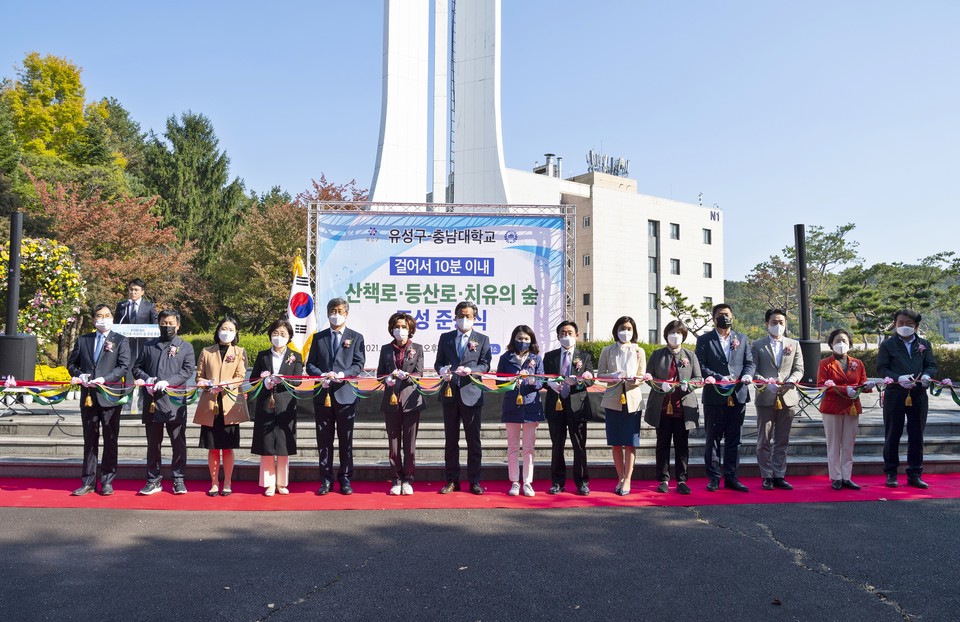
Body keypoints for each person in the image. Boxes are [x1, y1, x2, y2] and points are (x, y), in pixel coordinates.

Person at [66, 304, 131, 496]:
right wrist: (80, 375)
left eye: (107, 315)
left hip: (109, 396)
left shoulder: (120, 340)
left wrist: (106, 378)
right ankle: (88, 481)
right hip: (88, 397)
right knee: (90, 439)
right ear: (94, 319)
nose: (104, 319)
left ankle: (108, 480)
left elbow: (124, 366)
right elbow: (71, 363)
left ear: (112, 318)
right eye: (99, 316)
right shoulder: (83, 339)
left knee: (111, 440)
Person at [306, 297, 366, 495]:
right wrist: (320, 374)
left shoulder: (355, 337)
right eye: (332, 310)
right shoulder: (318, 337)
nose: (336, 314)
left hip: (345, 394)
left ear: (346, 314)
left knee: (345, 440)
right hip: (322, 394)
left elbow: (358, 364)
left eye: (340, 311)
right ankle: (325, 480)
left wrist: (343, 375)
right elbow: (310, 365)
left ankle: (346, 479)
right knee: (324, 440)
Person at [133, 309, 197, 495]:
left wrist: (168, 382)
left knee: (178, 443)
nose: (167, 326)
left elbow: (187, 371)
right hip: (152, 401)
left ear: (178, 325)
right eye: (163, 323)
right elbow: (137, 368)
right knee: (153, 444)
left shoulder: (185, 347)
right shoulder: (149, 345)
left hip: (174, 402)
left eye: (170, 323)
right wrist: (148, 380)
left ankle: (178, 479)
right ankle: (153, 480)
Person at [695, 303, 755, 492]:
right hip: (715, 395)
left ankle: (732, 477)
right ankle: (713, 478)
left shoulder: (742, 338)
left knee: (734, 439)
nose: (725, 318)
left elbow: (749, 362)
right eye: (720, 315)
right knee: (713, 438)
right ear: (713, 319)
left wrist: (747, 375)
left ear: (733, 317)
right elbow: (700, 364)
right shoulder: (705, 340)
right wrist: (719, 377)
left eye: (727, 314)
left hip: (738, 394)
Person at [434, 301, 492, 495]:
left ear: (475, 318)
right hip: (450, 393)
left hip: (472, 394)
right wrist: (442, 370)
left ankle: (475, 481)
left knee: (473, 440)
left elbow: (485, 365)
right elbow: (439, 362)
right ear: (455, 317)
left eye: (468, 316)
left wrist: (472, 371)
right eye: (460, 315)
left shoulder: (482, 339)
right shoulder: (446, 338)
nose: (464, 319)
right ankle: (452, 480)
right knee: (451, 440)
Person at [877, 309, 938, 489]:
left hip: (918, 394)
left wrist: (927, 376)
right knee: (892, 433)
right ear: (895, 324)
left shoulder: (924, 344)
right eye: (901, 323)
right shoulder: (888, 345)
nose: (904, 326)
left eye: (909, 324)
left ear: (916, 326)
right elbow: (882, 368)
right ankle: (891, 472)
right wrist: (898, 378)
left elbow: (931, 365)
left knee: (917, 435)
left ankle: (915, 473)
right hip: (895, 393)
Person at [643, 320, 702, 495]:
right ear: (666, 335)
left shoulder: (690, 355)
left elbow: (698, 377)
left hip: (682, 408)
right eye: (671, 332)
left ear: (684, 335)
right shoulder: (657, 354)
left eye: (679, 333)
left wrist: (688, 385)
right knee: (662, 444)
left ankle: (682, 480)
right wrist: (660, 386)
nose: (675, 336)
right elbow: (649, 377)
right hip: (662, 407)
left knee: (682, 445)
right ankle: (663, 479)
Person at [193, 317, 248, 497]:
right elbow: (198, 377)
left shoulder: (239, 352)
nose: (226, 332)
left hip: (230, 404)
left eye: (231, 329)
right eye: (223, 328)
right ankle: (214, 482)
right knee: (213, 447)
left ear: (236, 332)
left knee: (228, 447)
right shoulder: (206, 352)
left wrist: (228, 383)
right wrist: (206, 383)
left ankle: (228, 482)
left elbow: (241, 375)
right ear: (217, 331)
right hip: (211, 404)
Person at [750, 309, 804, 491]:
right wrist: (765, 382)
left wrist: (792, 379)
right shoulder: (757, 345)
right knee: (763, 440)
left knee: (782, 440)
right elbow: (752, 370)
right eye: (774, 322)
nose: (778, 325)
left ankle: (779, 474)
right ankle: (766, 476)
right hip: (766, 396)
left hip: (787, 396)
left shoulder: (794, 344)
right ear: (767, 323)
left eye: (781, 322)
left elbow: (799, 368)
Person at [250, 320, 303, 496]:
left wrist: (284, 380)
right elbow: (252, 379)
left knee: (283, 443)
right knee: (266, 444)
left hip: (285, 403)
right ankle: (269, 483)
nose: (278, 337)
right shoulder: (263, 355)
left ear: (289, 337)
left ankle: (282, 482)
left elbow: (298, 380)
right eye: (275, 333)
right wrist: (264, 381)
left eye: (282, 334)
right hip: (266, 402)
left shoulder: (295, 356)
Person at [376, 312, 425, 495]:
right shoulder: (386, 349)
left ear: (410, 329)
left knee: (409, 443)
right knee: (394, 443)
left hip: (411, 399)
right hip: (391, 399)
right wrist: (387, 379)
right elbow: (379, 375)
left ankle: (408, 479)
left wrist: (409, 376)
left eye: (404, 327)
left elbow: (419, 373)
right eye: (397, 327)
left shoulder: (417, 348)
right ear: (392, 329)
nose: (400, 330)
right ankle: (395, 479)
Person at [543, 321, 594, 495]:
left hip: (577, 405)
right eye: (563, 333)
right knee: (557, 445)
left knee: (579, 446)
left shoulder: (585, 356)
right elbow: (543, 378)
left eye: (570, 333)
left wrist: (578, 382)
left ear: (577, 335)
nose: (566, 336)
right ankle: (557, 482)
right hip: (555, 404)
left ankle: (581, 482)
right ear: (558, 336)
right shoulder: (550, 356)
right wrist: (549, 383)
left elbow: (590, 379)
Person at [597, 316, 645, 495]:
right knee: (616, 442)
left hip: (632, 399)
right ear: (616, 331)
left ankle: (628, 478)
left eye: (629, 329)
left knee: (630, 443)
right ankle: (620, 477)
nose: (625, 332)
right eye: (622, 328)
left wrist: (635, 380)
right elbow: (601, 374)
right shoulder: (608, 350)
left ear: (634, 331)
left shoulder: (639, 351)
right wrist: (613, 376)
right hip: (613, 399)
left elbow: (642, 376)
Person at [818, 328, 872, 490]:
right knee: (833, 444)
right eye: (837, 341)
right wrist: (843, 389)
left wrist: (868, 386)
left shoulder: (858, 363)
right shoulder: (825, 363)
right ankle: (836, 477)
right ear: (831, 344)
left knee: (848, 444)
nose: (841, 344)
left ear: (850, 344)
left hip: (851, 406)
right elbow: (821, 386)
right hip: (832, 407)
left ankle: (847, 476)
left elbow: (863, 383)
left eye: (844, 341)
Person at [496, 325, 544, 497]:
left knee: (529, 447)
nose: (523, 342)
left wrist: (531, 380)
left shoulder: (536, 358)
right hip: (512, 406)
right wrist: (512, 380)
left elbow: (541, 382)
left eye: (526, 339)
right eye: (519, 338)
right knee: (513, 446)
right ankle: (515, 481)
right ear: (513, 339)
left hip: (531, 406)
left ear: (531, 340)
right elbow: (498, 383)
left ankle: (528, 482)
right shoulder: (506, 358)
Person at [114, 278, 159, 368]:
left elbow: (155, 325)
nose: (133, 292)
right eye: (131, 289)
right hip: (126, 344)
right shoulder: (122, 306)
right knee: (127, 367)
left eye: (136, 290)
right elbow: (116, 324)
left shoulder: (149, 306)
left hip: (143, 344)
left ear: (142, 292)